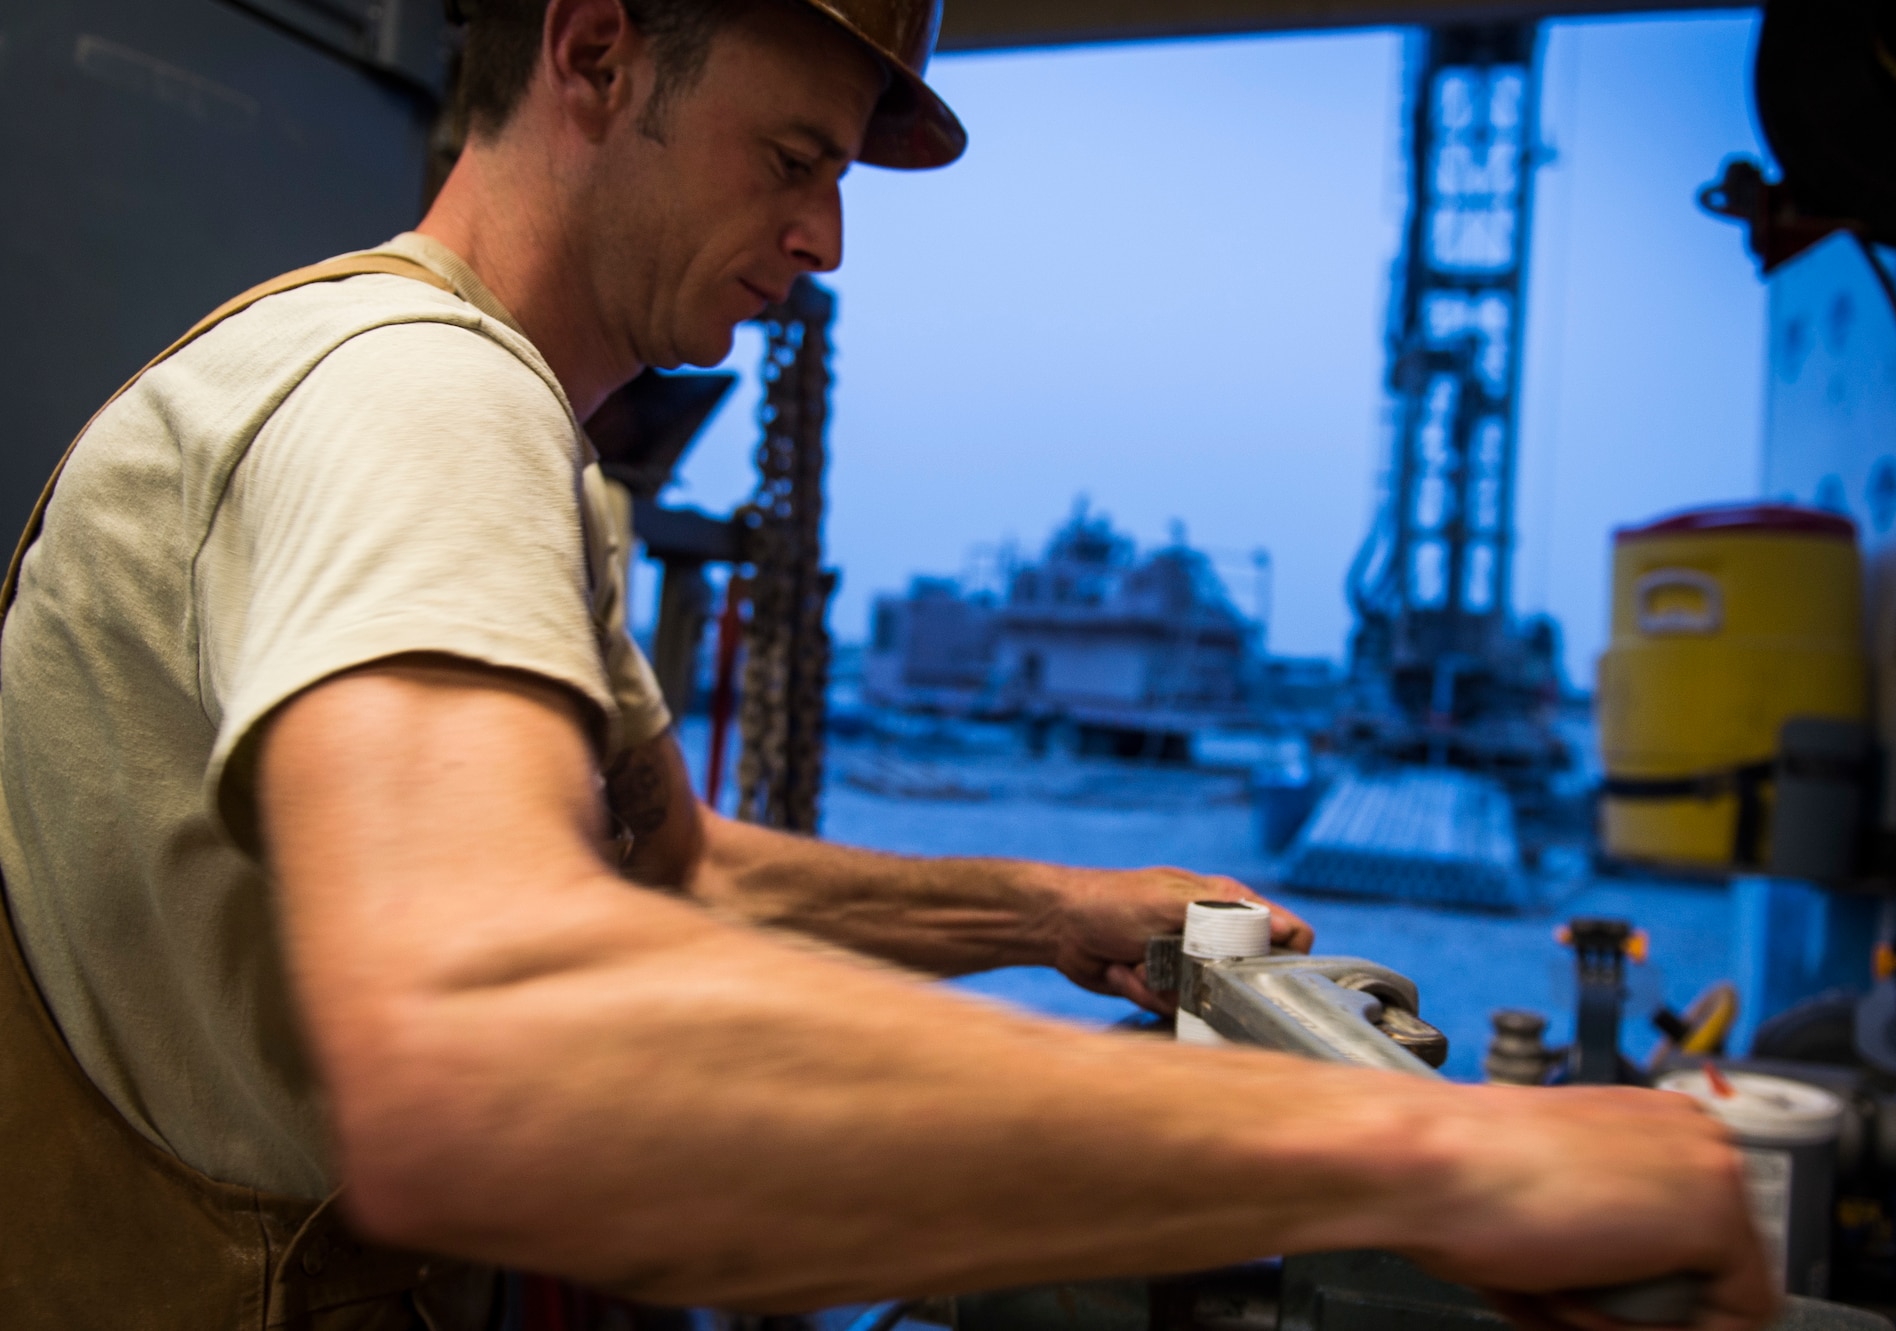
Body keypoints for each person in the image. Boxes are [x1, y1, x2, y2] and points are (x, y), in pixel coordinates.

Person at [0, 0, 1775, 1327]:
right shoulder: (419, 397)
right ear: (598, 54)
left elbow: (662, 878)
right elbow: (487, 1044)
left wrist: (1039, 907)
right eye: (795, 162)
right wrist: (1456, 1165)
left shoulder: (483, 421)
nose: (830, 239)